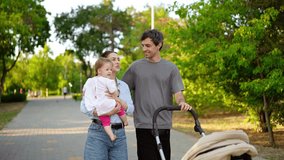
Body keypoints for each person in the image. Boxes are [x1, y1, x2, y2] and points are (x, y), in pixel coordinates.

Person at [122, 29, 192, 160]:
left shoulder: (171, 68)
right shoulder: (135, 67)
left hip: (163, 124)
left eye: (148, 45)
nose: (144, 49)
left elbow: (178, 93)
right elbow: (122, 89)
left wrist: (181, 102)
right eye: (142, 45)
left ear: (159, 44)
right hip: (143, 125)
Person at [83, 51, 134, 160]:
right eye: (113, 59)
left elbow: (131, 110)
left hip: (120, 135)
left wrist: (116, 99)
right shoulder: (93, 83)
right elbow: (84, 107)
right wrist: (107, 113)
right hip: (98, 133)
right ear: (103, 64)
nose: (117, 62)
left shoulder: (123, 86)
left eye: (118, 59)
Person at [91, 57, 128, 141]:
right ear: (100, 70)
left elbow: (130, 108)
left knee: (105, 122)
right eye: (107, 69)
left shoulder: (93, 81)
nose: (109, 71)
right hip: (109, 103)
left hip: (100, 106)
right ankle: (125, 121)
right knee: (120, 108)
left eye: (110, 69)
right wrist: (115, 96)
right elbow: (113, 92)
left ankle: (111, 135)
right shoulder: (108, 81)